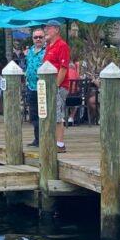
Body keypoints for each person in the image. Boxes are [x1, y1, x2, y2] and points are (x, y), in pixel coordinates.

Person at [42, 20, 71, 152]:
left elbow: (63, 68)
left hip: (59, 85)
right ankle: (52, 140)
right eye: (45, 28)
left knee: (57, 114)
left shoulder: (62, 45)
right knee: (51, 113)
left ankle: (60, 144)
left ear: (57, 30)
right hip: (47, 85)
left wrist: (56, 86)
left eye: (49, 28)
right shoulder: (49, 46)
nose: (46, 30)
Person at [24, 27, 46, 146]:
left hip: (43, 87)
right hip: (31, 87)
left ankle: (44, 138)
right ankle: (37, 139)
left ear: (44, 38)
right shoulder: (30, 51)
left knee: (43, 113)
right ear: (32, 39)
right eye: (35, 37)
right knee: (33, 114)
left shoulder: (47, 51)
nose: (38, 39)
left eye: (40, 37)